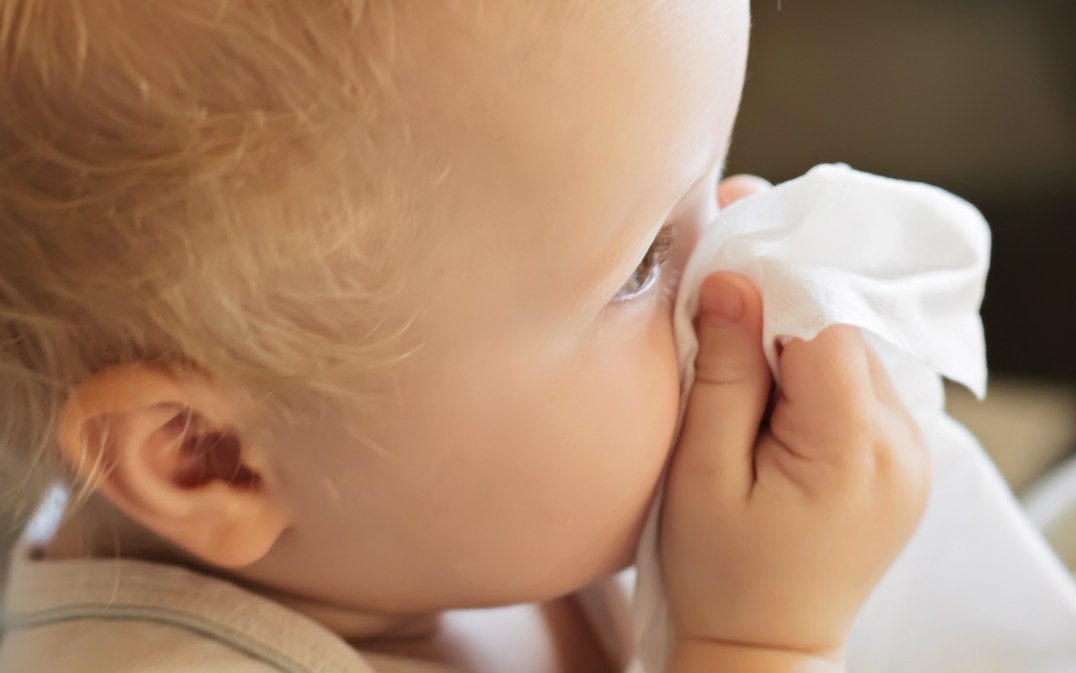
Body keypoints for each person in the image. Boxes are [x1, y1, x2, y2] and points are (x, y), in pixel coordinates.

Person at [0, 2, 928, 672]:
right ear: (208, 456)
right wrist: (761, 643)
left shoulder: (428, 520)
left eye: (714, 179)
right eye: (642, 263)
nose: (737, 258)